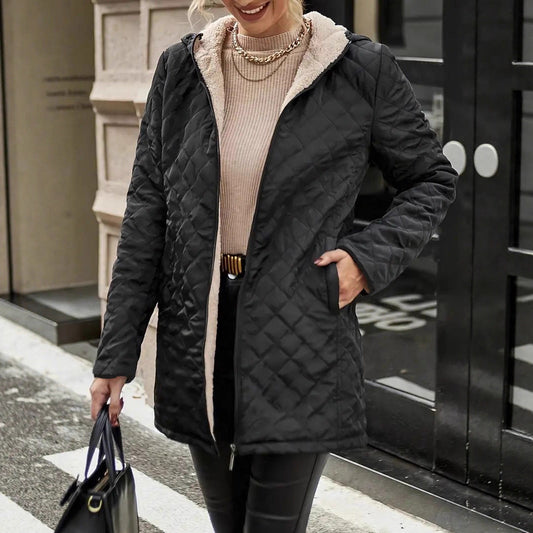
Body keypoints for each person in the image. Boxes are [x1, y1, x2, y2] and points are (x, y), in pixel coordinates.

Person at [89, 0, 458, 531]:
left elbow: (431, 180)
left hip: (299, 329)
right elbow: (148, 216)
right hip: (201, 337)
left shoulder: (357, 68)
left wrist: (364, 260)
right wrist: (115, 355)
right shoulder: (183, 69)